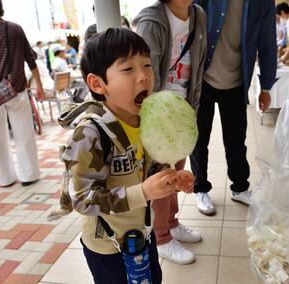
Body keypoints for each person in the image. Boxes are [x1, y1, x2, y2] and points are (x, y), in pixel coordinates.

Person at [64, 27, 195, 283]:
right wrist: (143, 192)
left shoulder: (146, 121)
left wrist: (171, 178)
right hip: (107, 246)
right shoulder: (90, 134)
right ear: (97, 83)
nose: (144, 76)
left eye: (146, 65)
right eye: (128, 69)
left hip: (142, 234)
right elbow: (82, 199)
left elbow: (150, 167)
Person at [134, 0, 206, 265]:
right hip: (158, 114)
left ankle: (172, 223)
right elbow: (142, 75)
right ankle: (162, 237)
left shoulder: (198, 15)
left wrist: (193, 109)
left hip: (183, 110)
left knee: (177, 173)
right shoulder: (151, 19)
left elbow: (198, 66)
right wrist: (148, 119)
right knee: (163, 177)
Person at [189, 0, 277, 216]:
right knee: (199, 140)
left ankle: (240, 187)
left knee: (236, 140)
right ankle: (200, 189)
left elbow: (268, 43)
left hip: (237, 81)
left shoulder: (262, 3)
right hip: (203, 79)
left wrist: (265, 86)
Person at [0, 0, 44, 187]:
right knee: (24, 134)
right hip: (16, 90)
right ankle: (29, 175)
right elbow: (30, 59)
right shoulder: (14, 29)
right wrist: (39, 85)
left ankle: (5, 178)